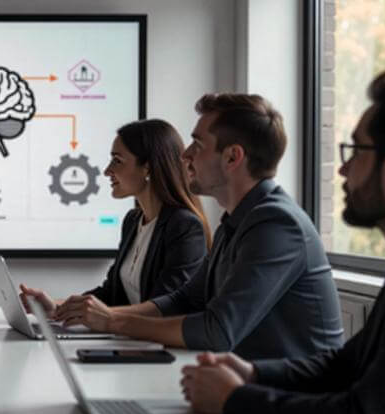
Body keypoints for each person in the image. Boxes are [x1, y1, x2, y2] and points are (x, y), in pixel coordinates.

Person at [180, 71, 385, 414]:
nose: (343, 169)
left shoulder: (276, 220)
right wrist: (251, 374)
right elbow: (345, 365)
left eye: (355, 151)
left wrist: (233, 398)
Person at [38, 94, 343, 360]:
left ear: (232, 157)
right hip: (247, 382)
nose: (185, 154)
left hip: (287, 399)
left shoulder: (276, 224)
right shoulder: (237, 220)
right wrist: (90, 315)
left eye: (197, 143)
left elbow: (217, 330)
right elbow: (182, 301)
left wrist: (112, 322)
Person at [20, 119, 210, 309]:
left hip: (155, 338)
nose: (107, 171)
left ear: (148, 167)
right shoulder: (133, 220)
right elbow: (111, 294)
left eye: (117, 161)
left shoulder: (184, 226)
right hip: (130, 336)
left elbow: (164, 308)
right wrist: (55, 306)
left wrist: (106, 320)